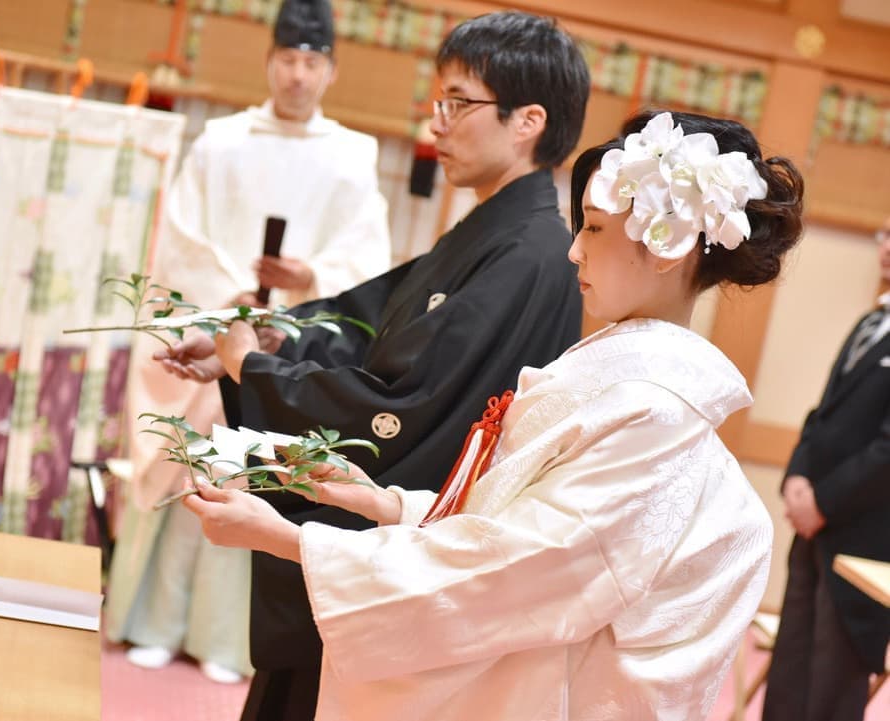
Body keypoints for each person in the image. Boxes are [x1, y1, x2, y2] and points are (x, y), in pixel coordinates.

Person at [181, 110, 804, 720]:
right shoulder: (624, 377)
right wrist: (384, 503)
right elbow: (516, 522)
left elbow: (524, 570)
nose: (574, 252)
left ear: (666, 246)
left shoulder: (655, 410)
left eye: (592, 228)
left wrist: (288, 540)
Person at [160, 11, 590, 718]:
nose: (437, 124)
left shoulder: (527, 253)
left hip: (400, 561)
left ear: (526, 121)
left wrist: (255, 371)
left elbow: (404, 404)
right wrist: (263, 340)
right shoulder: (497, 234)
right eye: (437, 102)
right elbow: (368, 323)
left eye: (458, 102)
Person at [103, 0, 391, 682]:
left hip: (291, 341)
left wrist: (309, 277)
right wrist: (233, 296)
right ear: (269, 62)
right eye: (287, 59)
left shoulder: (354, 156)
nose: (297, 74)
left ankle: (228, 639)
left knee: (256, 480)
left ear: (330, 71)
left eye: (312, 62)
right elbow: (181, 236)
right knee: (192, 470)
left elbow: (366, 258)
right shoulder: (221, 142)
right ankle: (156, 622)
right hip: (216, 326)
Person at [761, 215, 890, 721]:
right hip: (813, 523)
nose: (886, 246)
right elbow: (823, 414)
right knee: (792, 665)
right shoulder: (871, 320)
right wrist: (796, 476)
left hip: (863, 534)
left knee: (832, 681)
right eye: (884, 233)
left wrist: (825, 500)